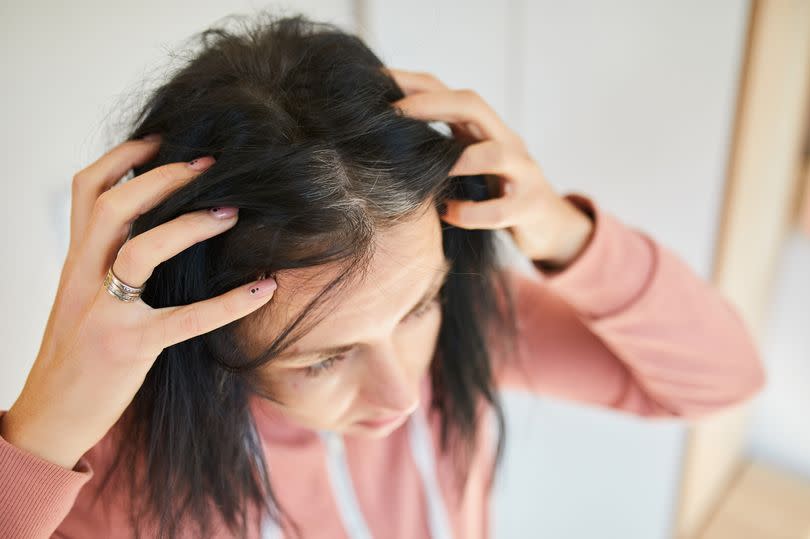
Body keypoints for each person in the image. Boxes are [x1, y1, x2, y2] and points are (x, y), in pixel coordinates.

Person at [0, 12, 765, 539]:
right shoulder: (110, 480)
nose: (403, 395)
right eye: (323, 357)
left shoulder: (476, 319)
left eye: (420, 306)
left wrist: (565, 232)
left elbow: (721, 379)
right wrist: (37, 435)